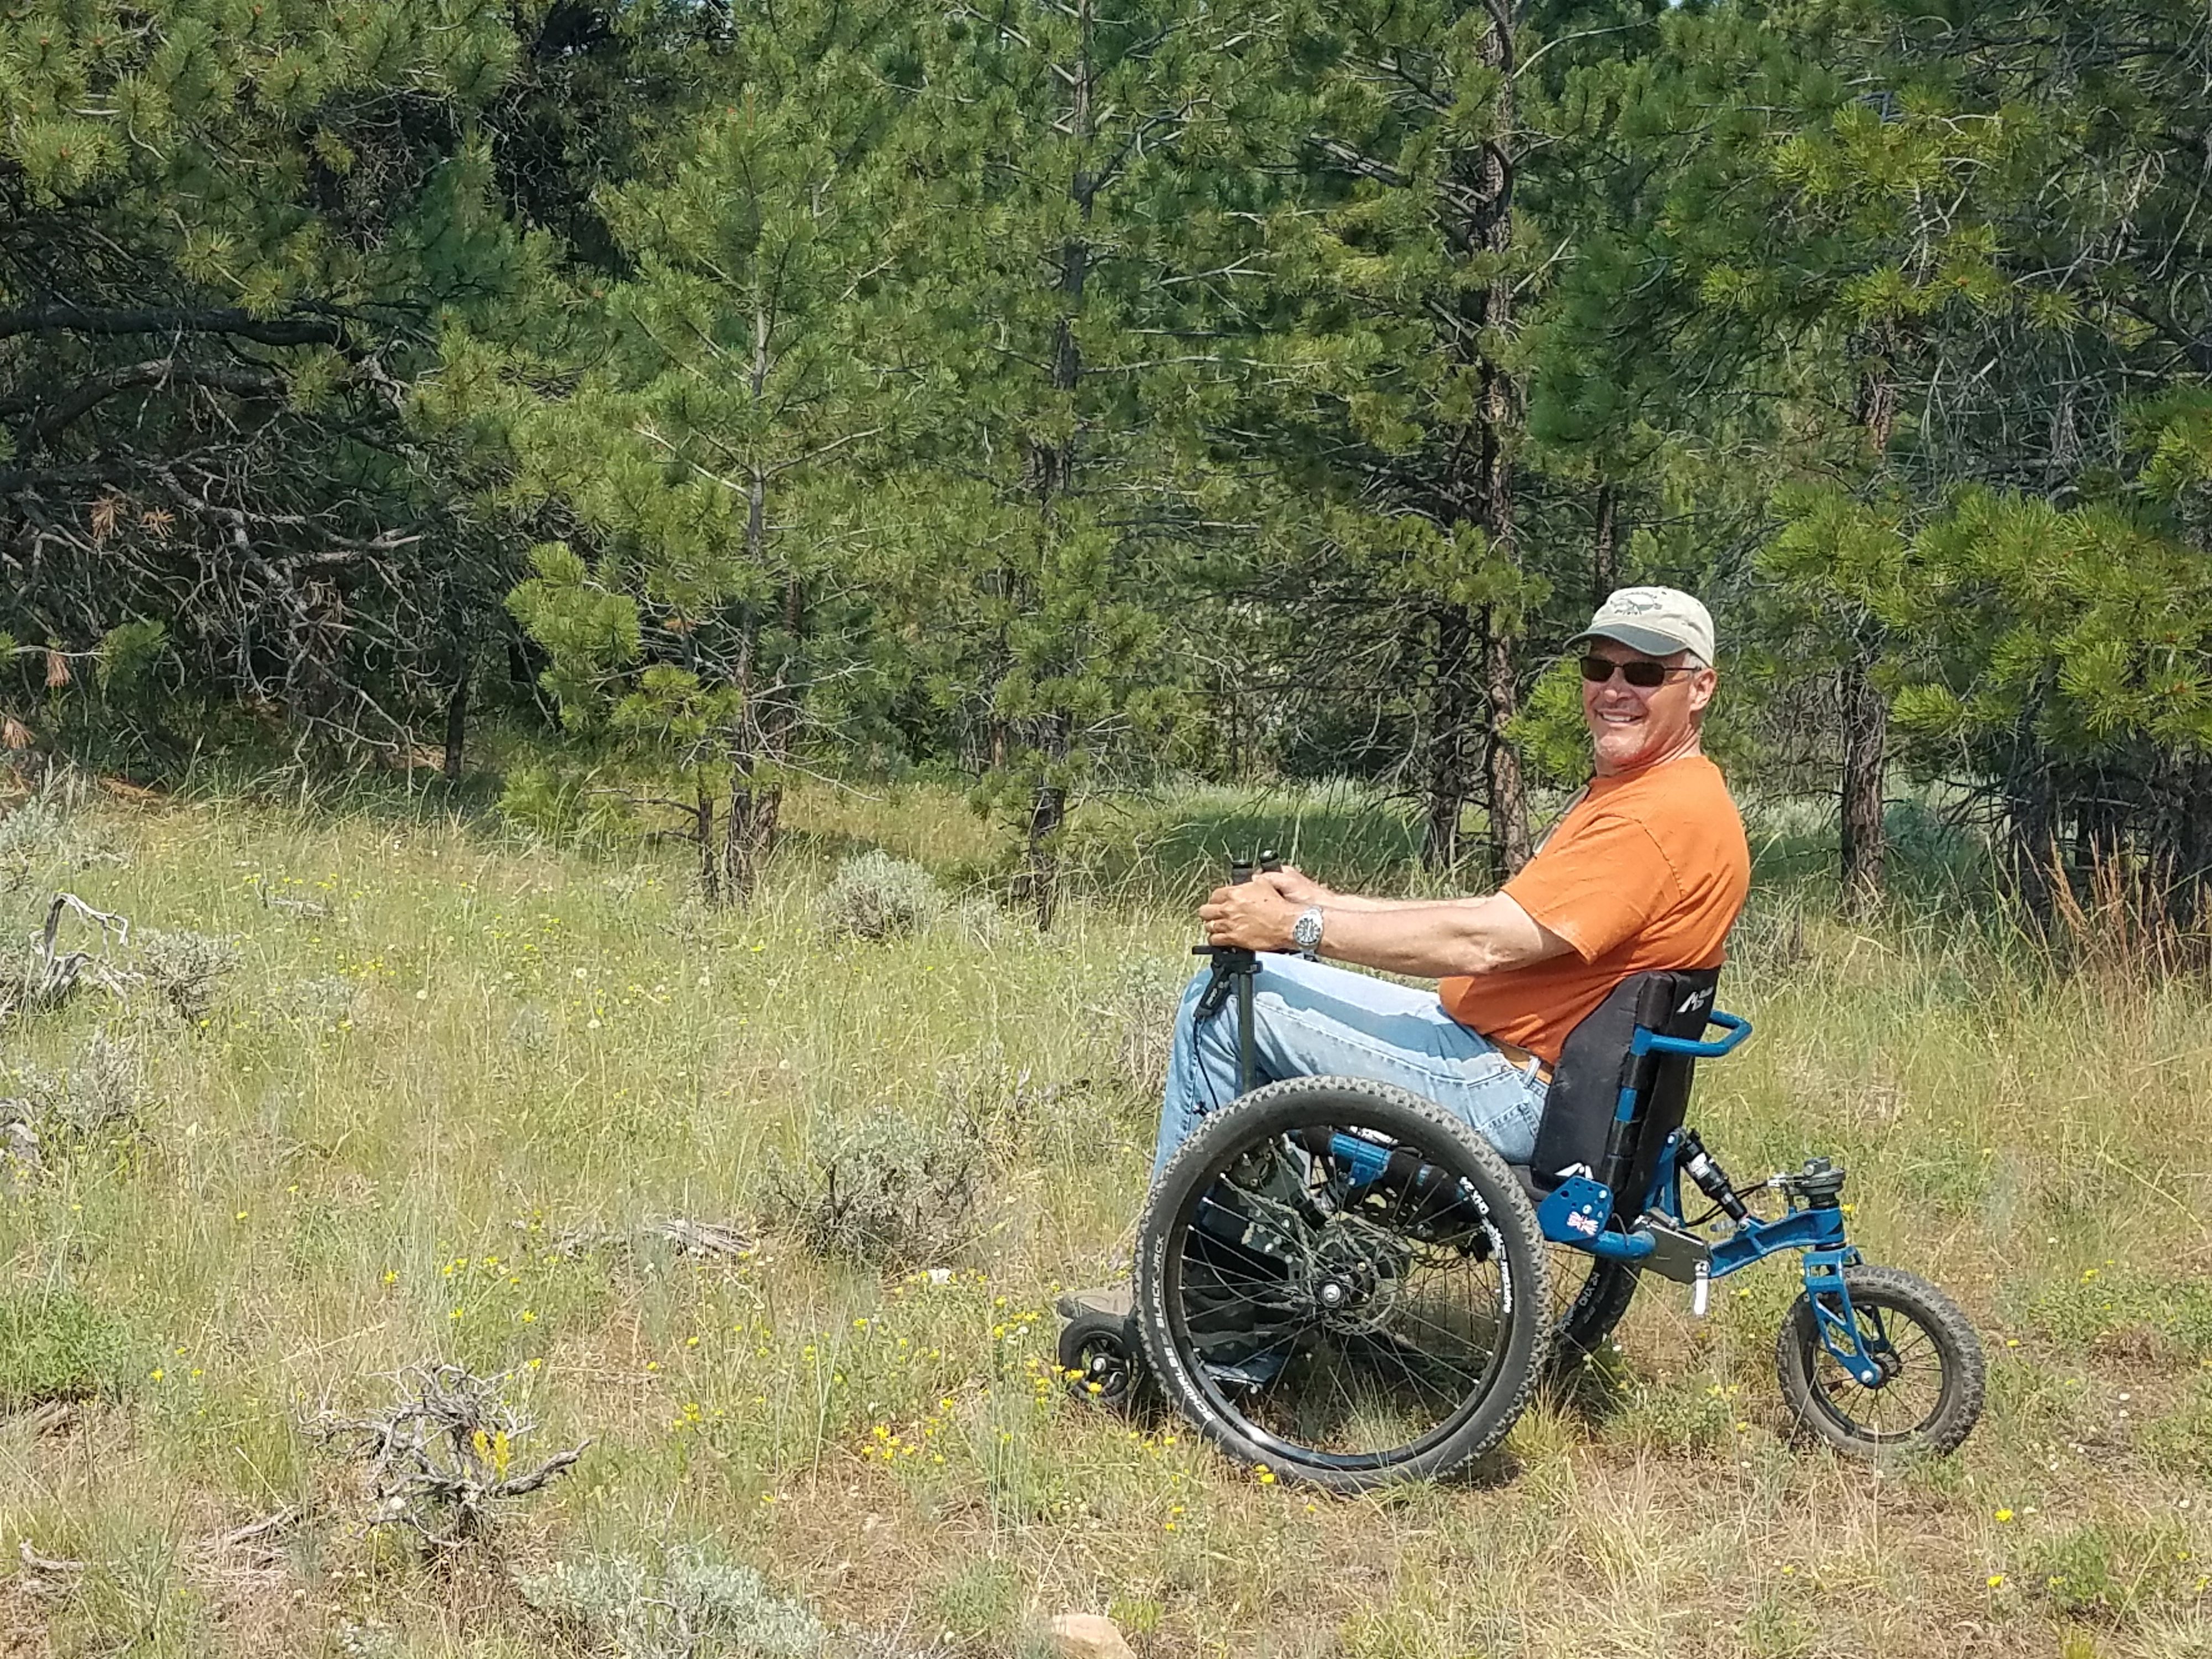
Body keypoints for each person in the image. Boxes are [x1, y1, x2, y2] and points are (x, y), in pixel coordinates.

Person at [1153, 585, 1752, 1178]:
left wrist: (1295, 927)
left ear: (1700, 688)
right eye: (1599, 666)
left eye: (1646, 673)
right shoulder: (1669, 795)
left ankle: (1202, 1263)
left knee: (1225, 1004)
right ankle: (1253, 1244)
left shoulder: (1653, 819)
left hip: (1508, 1085)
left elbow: (1486, 943)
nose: (1615, 690)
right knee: (1266, 986)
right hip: (1503, 1055)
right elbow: (1509, 913)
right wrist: (1329, 903)